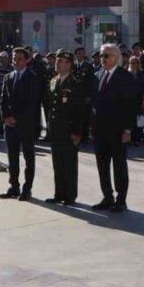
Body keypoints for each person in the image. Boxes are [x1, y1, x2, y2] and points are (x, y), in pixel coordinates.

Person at [90, 43, 137, 213]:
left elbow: (130, 106)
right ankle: (107, 196)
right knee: (102, 165)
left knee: (119, 166)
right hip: (100, 129)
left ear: (116, 58)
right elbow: (93, 103)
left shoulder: (125, 76)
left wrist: (127, 130)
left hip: (117, 130)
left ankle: (121, 200)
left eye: (106, 56)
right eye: (101, 55)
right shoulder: (96, 76)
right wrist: (91, 125)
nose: (102, 59)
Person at [0, 48, 43, 201]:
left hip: (26, 125)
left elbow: (32, 103)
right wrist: (6, 117)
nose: (16, 62)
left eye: (19, 59)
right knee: (12, 157)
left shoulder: (32, 77)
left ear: (26, 60)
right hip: (10, 125)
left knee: (28, 157)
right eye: (14, 59)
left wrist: (17, 118)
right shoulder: (8, 77)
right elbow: (3, 100)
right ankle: (14, 186)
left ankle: (27, 189)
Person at [44, 50, 86, 205]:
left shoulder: (75, 83)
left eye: (61, 61)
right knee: (57, 163)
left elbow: (79, 110)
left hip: (69, 130)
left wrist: (76, 132)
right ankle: (58, 193)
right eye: (56, 61)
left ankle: (70, 195)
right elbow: (51, 106)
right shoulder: (54, 81)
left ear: (69, 64)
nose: (57, 63)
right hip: (56, 129)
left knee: (69, 164)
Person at [127, 56, 144, 144]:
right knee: (130, 119)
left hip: (138, 99)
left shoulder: (141, 74)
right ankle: (131, 138)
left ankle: (137, 138)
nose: (133, 65)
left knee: (139, 119)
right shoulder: (127, 74)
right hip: (129, 100)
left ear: (138, 64)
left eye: (135, 63)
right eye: (131, 63)